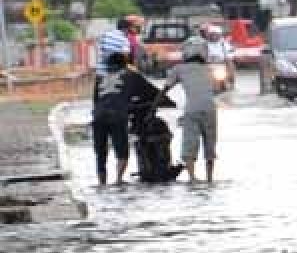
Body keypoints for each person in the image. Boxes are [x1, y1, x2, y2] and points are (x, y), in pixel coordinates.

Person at [156, 36, 219, 183]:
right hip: (210, 109)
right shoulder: (209, 69)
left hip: (191, 110)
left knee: (189, 144)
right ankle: (210, 178)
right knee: (210, 144)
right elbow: (217, 89)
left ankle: (192, 178)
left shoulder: (179, 69)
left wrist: (153, 107)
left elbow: (165, 89)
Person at [91, 51, 159, 185]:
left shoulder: (99, 78)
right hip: (117, 115)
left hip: (98, 117)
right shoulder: (131, 75)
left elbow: (96, 100)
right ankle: (118, 180)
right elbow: (151, 92)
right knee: (122, 150)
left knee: (100, 152)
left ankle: (102, 183)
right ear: (124, 65)